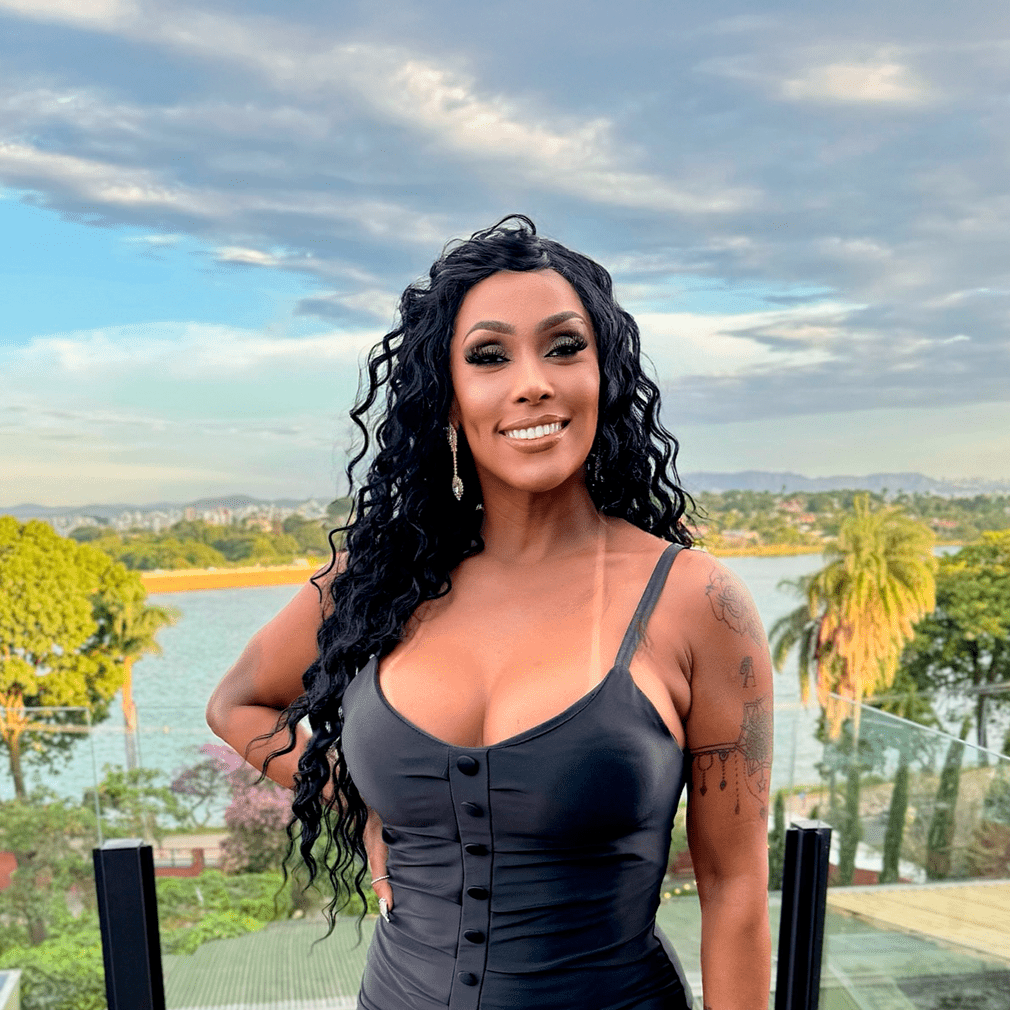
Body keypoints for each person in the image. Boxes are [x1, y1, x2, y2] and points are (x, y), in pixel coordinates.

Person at [206, 215, 773, 1010]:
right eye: (489, 356)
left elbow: (735, 886)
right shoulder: (375, 580)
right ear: (447, 397)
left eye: (564, 347)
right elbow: (237, 704)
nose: (532, 381)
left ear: (604, 376)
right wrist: (354, 798)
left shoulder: (697, 602)